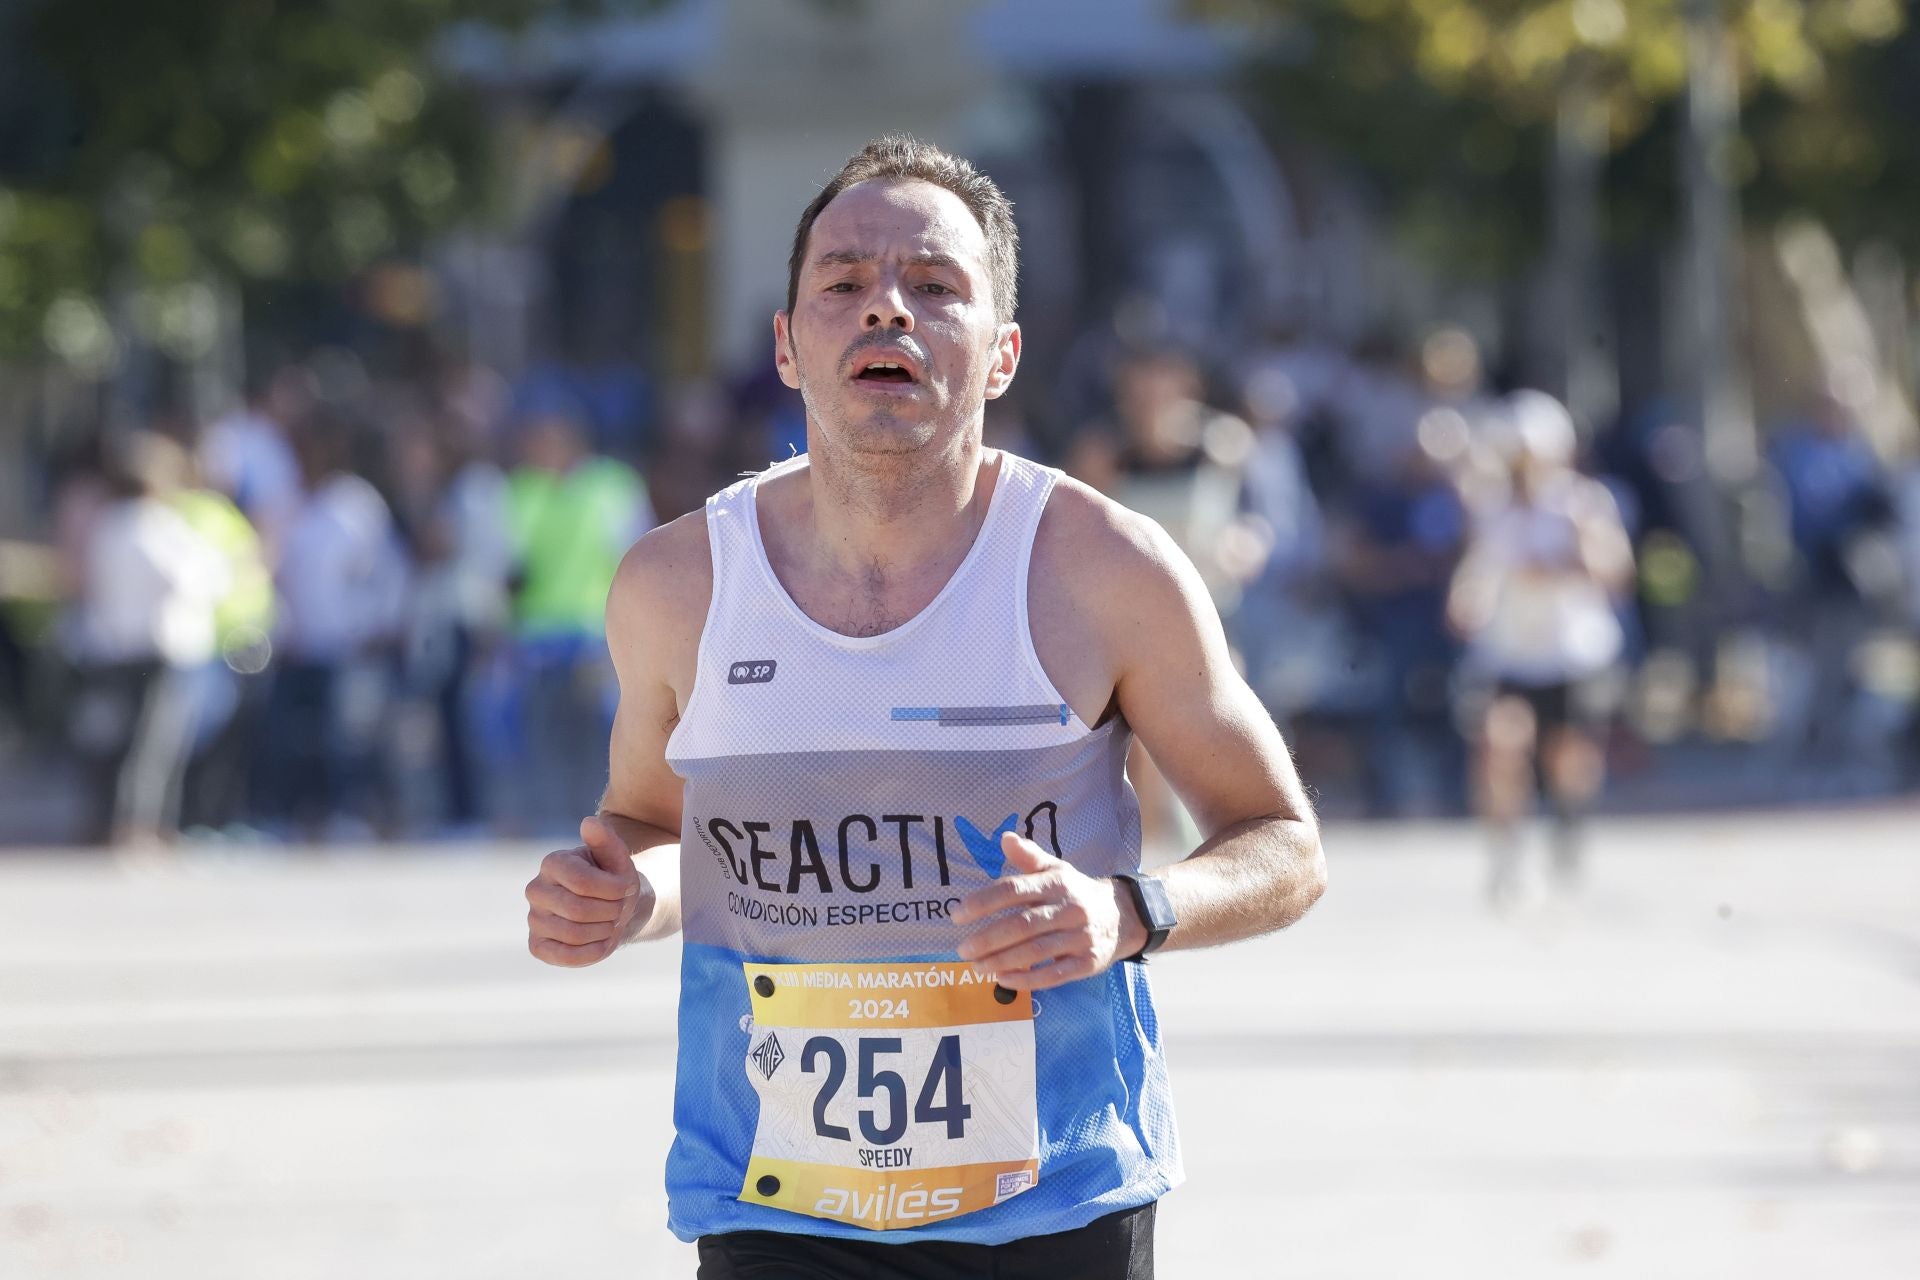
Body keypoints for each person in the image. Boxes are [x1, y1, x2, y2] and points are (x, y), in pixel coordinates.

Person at [522, 135, 1326, 1277]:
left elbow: (1285, 844)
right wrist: (614, 899)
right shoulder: (677, 585)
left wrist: (1128, 910)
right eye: (843, 283)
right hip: (777, 1198)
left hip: (1052, 1202)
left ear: (1000, 354)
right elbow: (659, 831)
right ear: (788, 345)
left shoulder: (1103, 569)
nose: (884, 310)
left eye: (933, 287)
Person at [1449, 390, 1634, 907]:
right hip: (1510, 653)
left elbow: (1614, 576)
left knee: (1567, 756)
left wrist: (1565, 558)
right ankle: (1506, 853)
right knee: (1498, 745)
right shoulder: (1489, 508)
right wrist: (1467, 600)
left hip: (1572, 653)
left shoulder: (1583, 503)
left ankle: (1568, 828)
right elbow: (1476, 571)